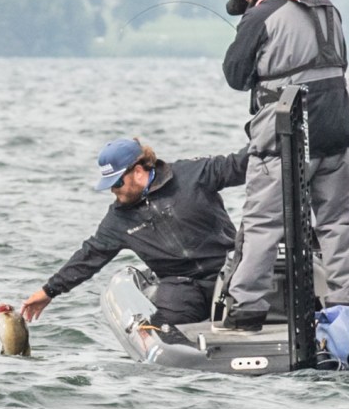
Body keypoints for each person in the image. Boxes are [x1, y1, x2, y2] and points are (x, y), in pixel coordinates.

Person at [219, 0, 349, 332]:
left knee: (263, 224)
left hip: (287, 134)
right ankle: (348, 308)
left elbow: (235, 76)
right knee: (337, 223)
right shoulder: (327, 6)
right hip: (336, 129)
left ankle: (246, 309)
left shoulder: (262, 13)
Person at [21, 137, 248, 326]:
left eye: (117, 183)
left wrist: (264, 132)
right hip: (180, 286)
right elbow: (89, 257)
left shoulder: (193, 174)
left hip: (230, 269)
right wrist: (49, 291)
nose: (113, 190)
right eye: (109, 184)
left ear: (138, 171)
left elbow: (240, 165)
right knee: (166, 324)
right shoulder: (118, 218)